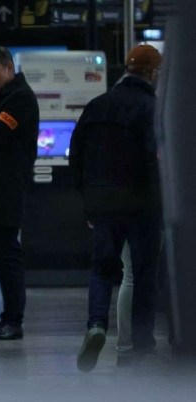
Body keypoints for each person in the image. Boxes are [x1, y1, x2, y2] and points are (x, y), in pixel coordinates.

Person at [70, 44, 162, 372]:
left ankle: (96, 325)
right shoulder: (152, 108)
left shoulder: (97, 105)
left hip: (102, 202)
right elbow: (156, 160)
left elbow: (75, 155)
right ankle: (140, 346)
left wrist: (88, 202)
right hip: (142, 203)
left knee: (103, 268)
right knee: (142, 274)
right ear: (152, 74)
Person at [0, 47, 39, 341]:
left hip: (7, 191)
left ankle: (13, 319)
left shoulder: (20, 99)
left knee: (7, 258)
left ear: (8, 68)